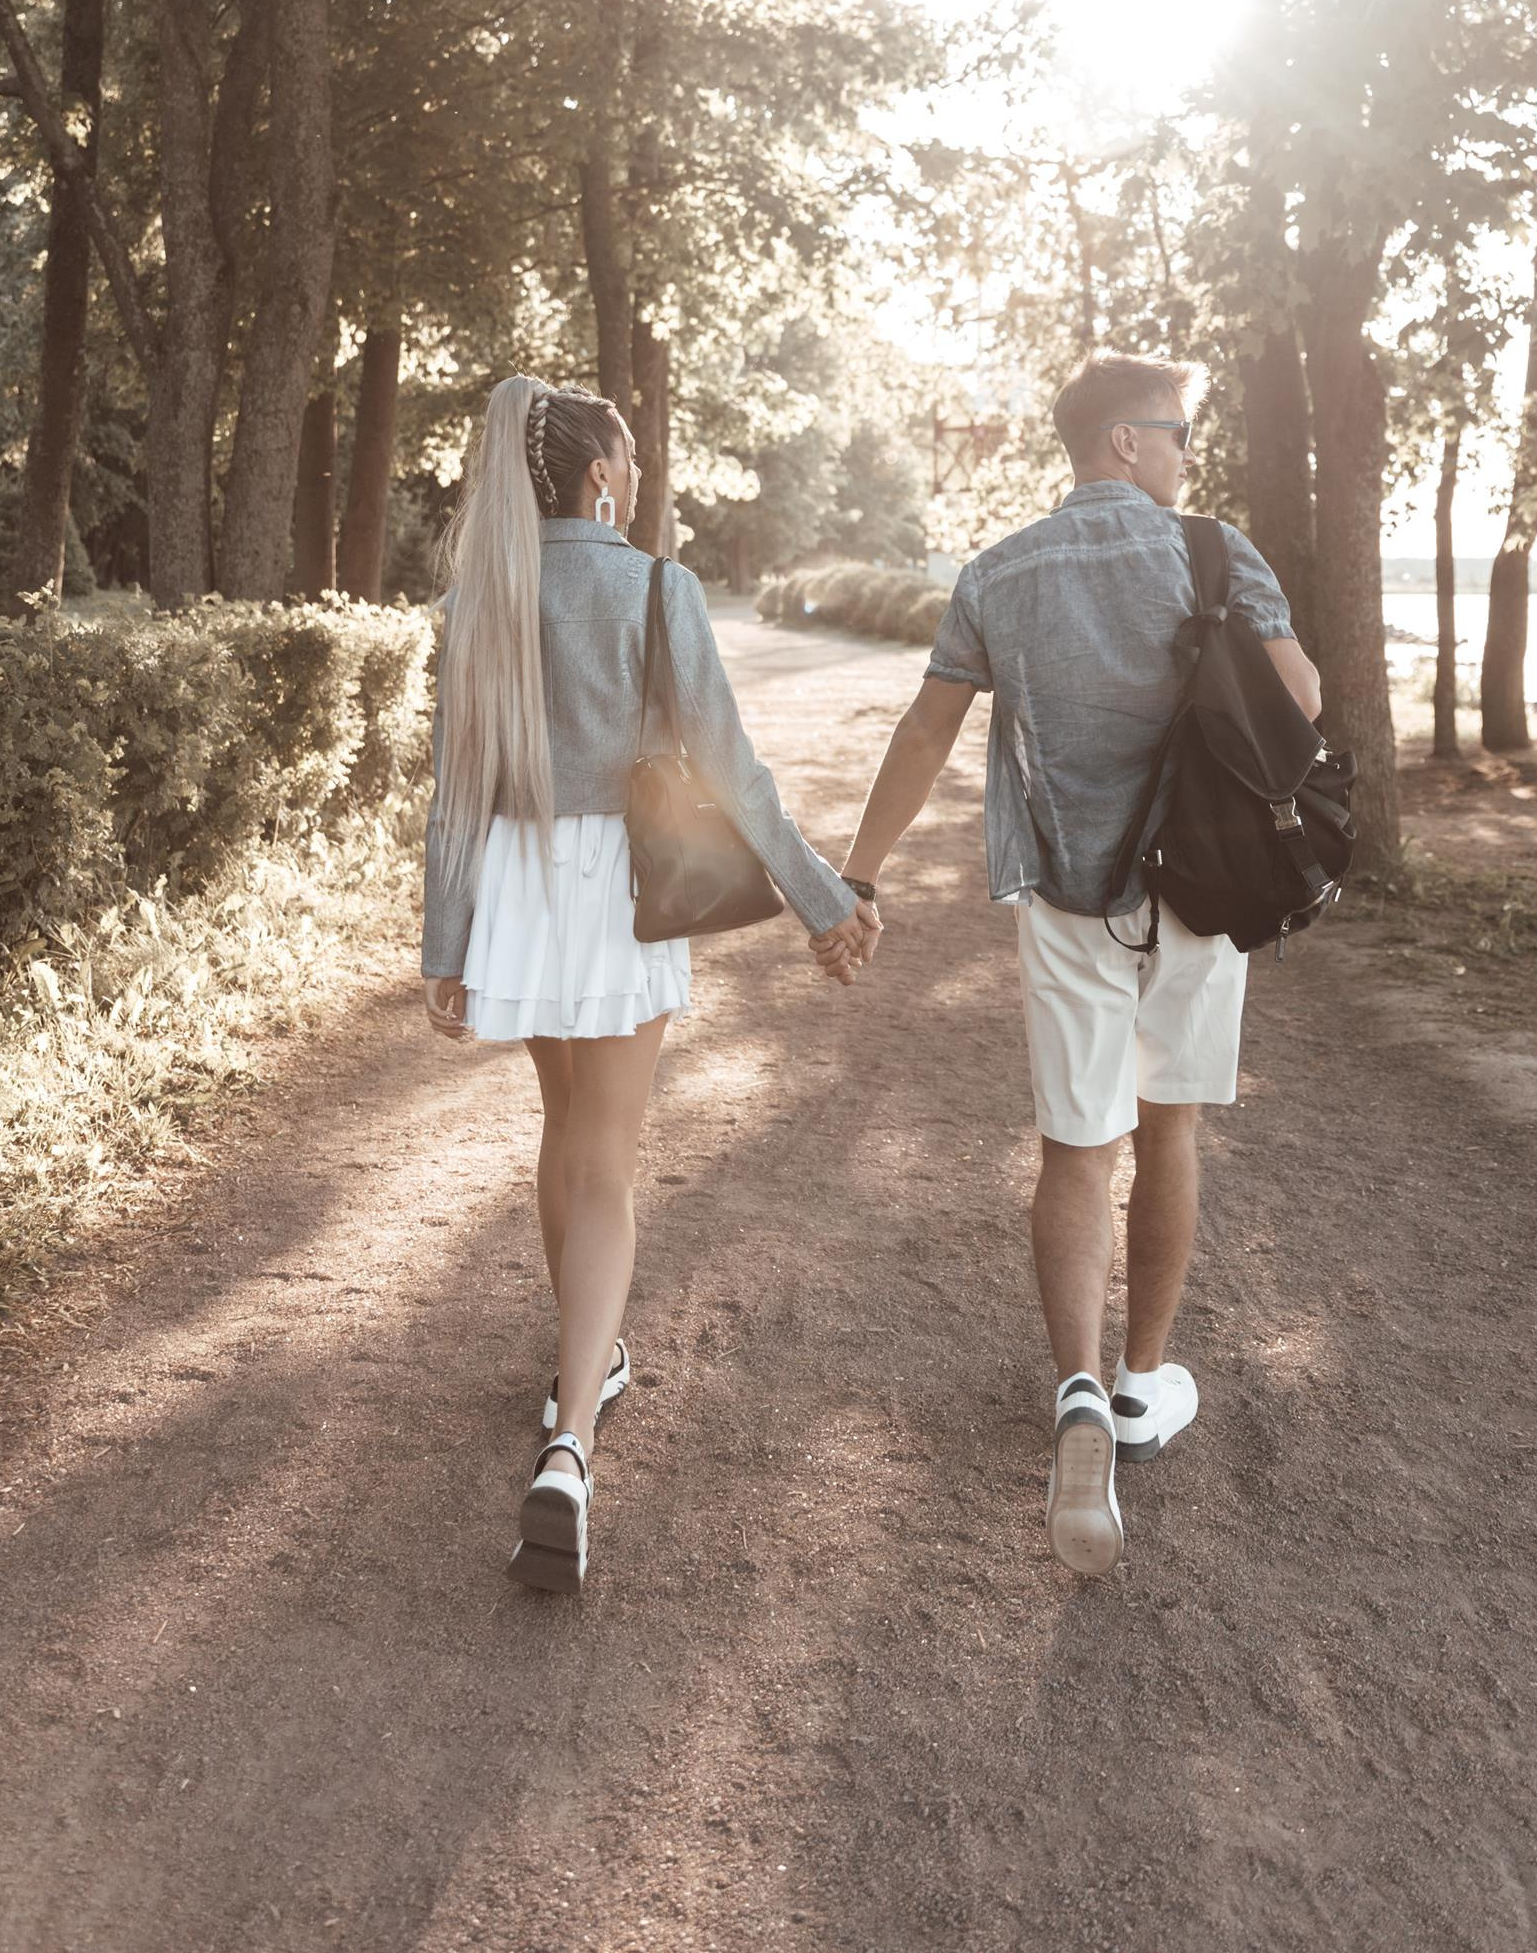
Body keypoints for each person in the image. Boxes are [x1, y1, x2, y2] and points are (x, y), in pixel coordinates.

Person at [834, 352, 1321, 1576]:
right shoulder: (1214, 552)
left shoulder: (996, 575)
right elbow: (1299, 702)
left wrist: (857, 875)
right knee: (1170, 1132)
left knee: (1072, 1147)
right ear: (1122, 443)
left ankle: (1076, 1395)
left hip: (1068, 897)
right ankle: (1144, 1383)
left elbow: (928, 730)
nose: (1183, 458)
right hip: (1202, 896)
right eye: (1175, 436)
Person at [420, 374, 877, 1593]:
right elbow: (730, 767)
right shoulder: (656, 587)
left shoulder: (479, 600)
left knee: (564, 1127)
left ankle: (586, 1359)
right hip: (617, 887)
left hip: (515, 884)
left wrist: (443, 944)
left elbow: (451, 796)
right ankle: (570, 1440)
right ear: (602, 479)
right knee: (611, 1156)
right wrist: (824, 903)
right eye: (630, 468)